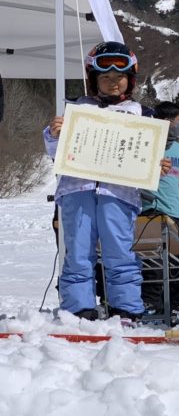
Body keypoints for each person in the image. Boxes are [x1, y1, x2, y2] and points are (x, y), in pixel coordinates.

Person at [43, 41, 161, 322]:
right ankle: (78, 309)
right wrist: (53, 133)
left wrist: (159, 163)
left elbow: (150, 159)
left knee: (119, 252)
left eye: (119, 77)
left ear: (129, 79)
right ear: (93, 79)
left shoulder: (142, 114)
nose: (112, 82)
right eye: (104, 77)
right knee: (78, 252)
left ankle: (127, 309)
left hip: (119, 194)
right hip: (77, 190)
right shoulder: (76, 107)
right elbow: (55, 154)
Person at [139, 101, 179, 322]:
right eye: (171, 122)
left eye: (178, 122)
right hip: (149, 211)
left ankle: (174, 306)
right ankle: (151, 305)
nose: (176, 127)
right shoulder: (146, 143)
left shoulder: (178, 147)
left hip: (177, 214)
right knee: (152, 264)